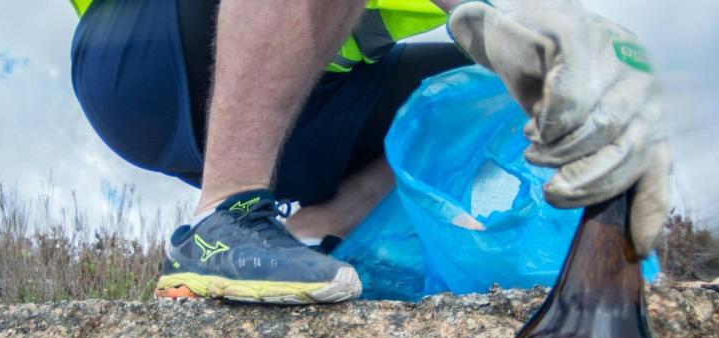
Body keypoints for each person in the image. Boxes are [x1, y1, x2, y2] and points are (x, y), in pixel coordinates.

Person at [68, 0, 670, 305]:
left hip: (308, 101)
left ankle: (316, 232)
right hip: (145, 59)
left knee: (491, 97)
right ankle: (219, 218)